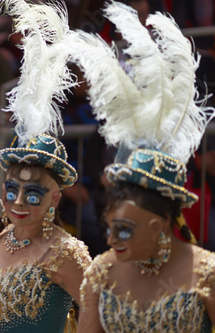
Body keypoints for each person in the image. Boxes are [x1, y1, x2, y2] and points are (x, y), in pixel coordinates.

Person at [62, 2, 215, 332]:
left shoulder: (206, 272)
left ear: (159, 226)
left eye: (124, 230)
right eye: (112, 227)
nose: (113, 239)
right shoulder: (100, 272)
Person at [0, 2, 90, 332]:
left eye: (33, 193)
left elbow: (98, 315)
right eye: (11, 189)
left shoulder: (66, 252)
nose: (18, 201)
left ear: (55, 198)